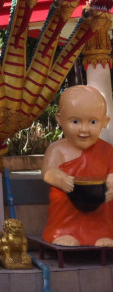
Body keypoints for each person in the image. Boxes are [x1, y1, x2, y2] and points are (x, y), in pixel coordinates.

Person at [41, 85, 113, 246]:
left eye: (93, 122)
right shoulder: (57, 149)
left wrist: (111, 185)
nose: (84, 129)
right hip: (68, 206)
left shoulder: (107, 150)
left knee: (105, 210)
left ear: (105, 122)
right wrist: (60, 179)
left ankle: (103, 234)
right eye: (75, 121)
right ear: (60, 119)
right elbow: (48, 172)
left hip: (99, 204)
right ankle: (64, 232)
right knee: (62, 206)